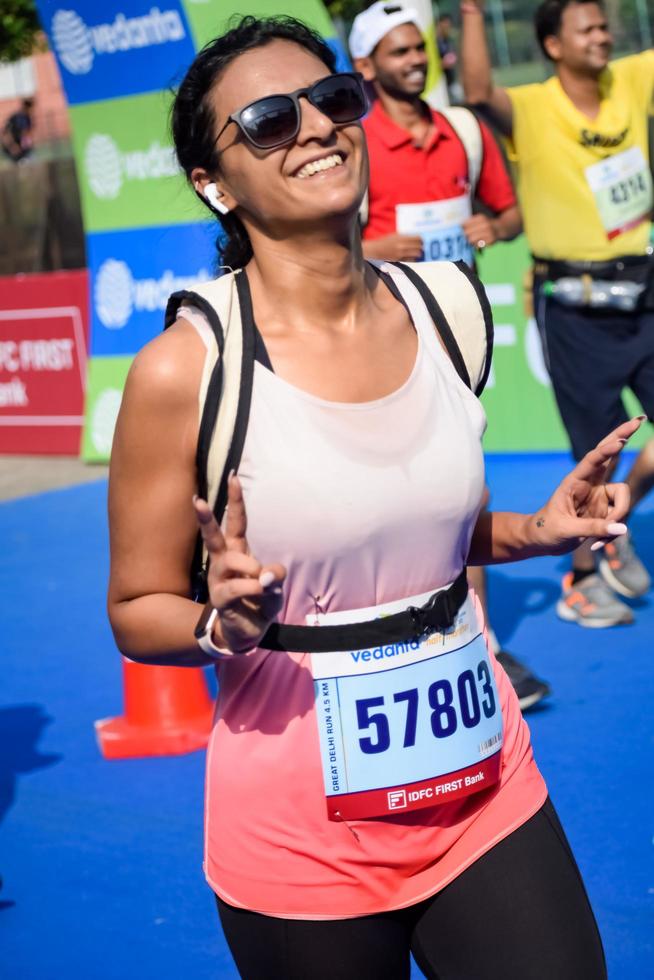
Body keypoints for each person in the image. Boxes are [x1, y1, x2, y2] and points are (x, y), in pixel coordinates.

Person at [108, 15, 633, 978]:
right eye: (268, 120)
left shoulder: (449, 306)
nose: (314, 127)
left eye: (332, 99)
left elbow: (423, 533)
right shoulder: (186, 370)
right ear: (213, 184)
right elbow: (138, 611)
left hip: (486, 786)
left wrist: (531, 531)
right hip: (300, 834)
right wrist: (219, 626)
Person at [350, 1, 550, 710]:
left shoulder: (463, 130)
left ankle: (480, 642)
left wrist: (492, 225)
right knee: (380, 498)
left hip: (457, 337)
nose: (414, 60)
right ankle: (381, 643)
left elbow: (513, 211)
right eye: (398, 51)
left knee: (465, 487)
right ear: (367, 66)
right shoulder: (349, 144)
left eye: (419, 49)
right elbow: (314, 247)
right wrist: (373, 248)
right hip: (372, 341)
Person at [461, 0, 654, 627]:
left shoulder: (629, 79)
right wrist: (469, 9)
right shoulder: (534, 106)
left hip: (645, 288)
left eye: (605, 26)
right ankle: (585, 568)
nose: (603, 36)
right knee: (599, 454)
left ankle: (618, 522)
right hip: (573, 306)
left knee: (623, 472)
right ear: (552, 45)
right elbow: (478, 88)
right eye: (588, 29)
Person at [437, 13, 463, 103]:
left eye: (449, 25)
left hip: (450, 79)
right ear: (440, 24)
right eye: (445, 24)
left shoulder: (448, 40)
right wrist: (442, 64)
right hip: (439, 82)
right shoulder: (435, 42)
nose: (447, 27)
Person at [1, 98, 34, 164]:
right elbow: (5, 133)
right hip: (12, 147)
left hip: (20, 148)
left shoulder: (27, 118)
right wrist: (12, 146)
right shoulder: (17, 118)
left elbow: (27, 135)